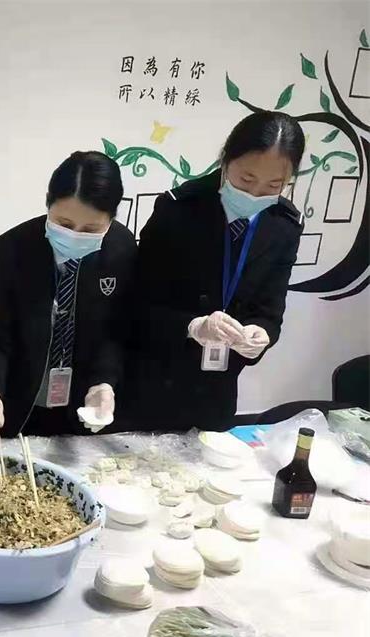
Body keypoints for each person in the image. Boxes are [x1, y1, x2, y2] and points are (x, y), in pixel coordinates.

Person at [124, 111, 305, 431]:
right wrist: (193, 326)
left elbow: (270, 311)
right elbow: (135, 307)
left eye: (273, 185)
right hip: (153, 384)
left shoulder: (284, 226)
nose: (255, 193)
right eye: (246, 179)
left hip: (217, 394)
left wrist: (261, 335)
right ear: (226, 159)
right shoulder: (178, 210)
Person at [0, 151, 136, 444]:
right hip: (19, 403)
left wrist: (104, 382)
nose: (75, 235)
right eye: (64, 224)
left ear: (112, 218)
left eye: (91, 229)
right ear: (48, 202)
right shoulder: (14, 249)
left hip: (82, 406)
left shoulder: (122, 249)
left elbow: (117, 329)